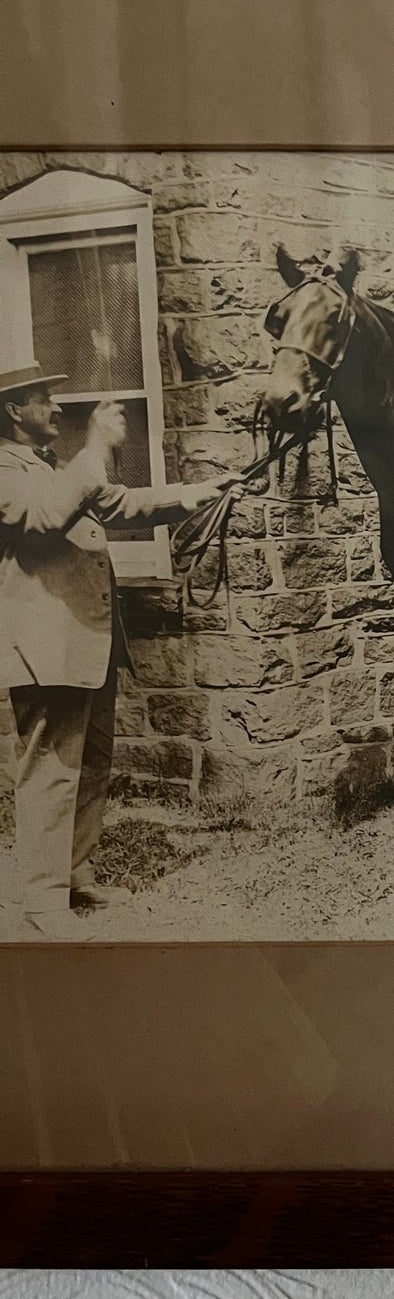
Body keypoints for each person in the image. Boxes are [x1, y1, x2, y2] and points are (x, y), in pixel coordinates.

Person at [0, 361, 231, 939]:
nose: (58, 408)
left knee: (92, 763)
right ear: (12, 410)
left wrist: (194, 494)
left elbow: (118, 504)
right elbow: (46, 516)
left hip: (88, 639)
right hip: (46, 644)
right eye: (45, 399)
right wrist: (97, 442)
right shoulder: (4, 468)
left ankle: (73, 874)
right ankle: (40, 901)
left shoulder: (49, 465)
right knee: (51, 770)